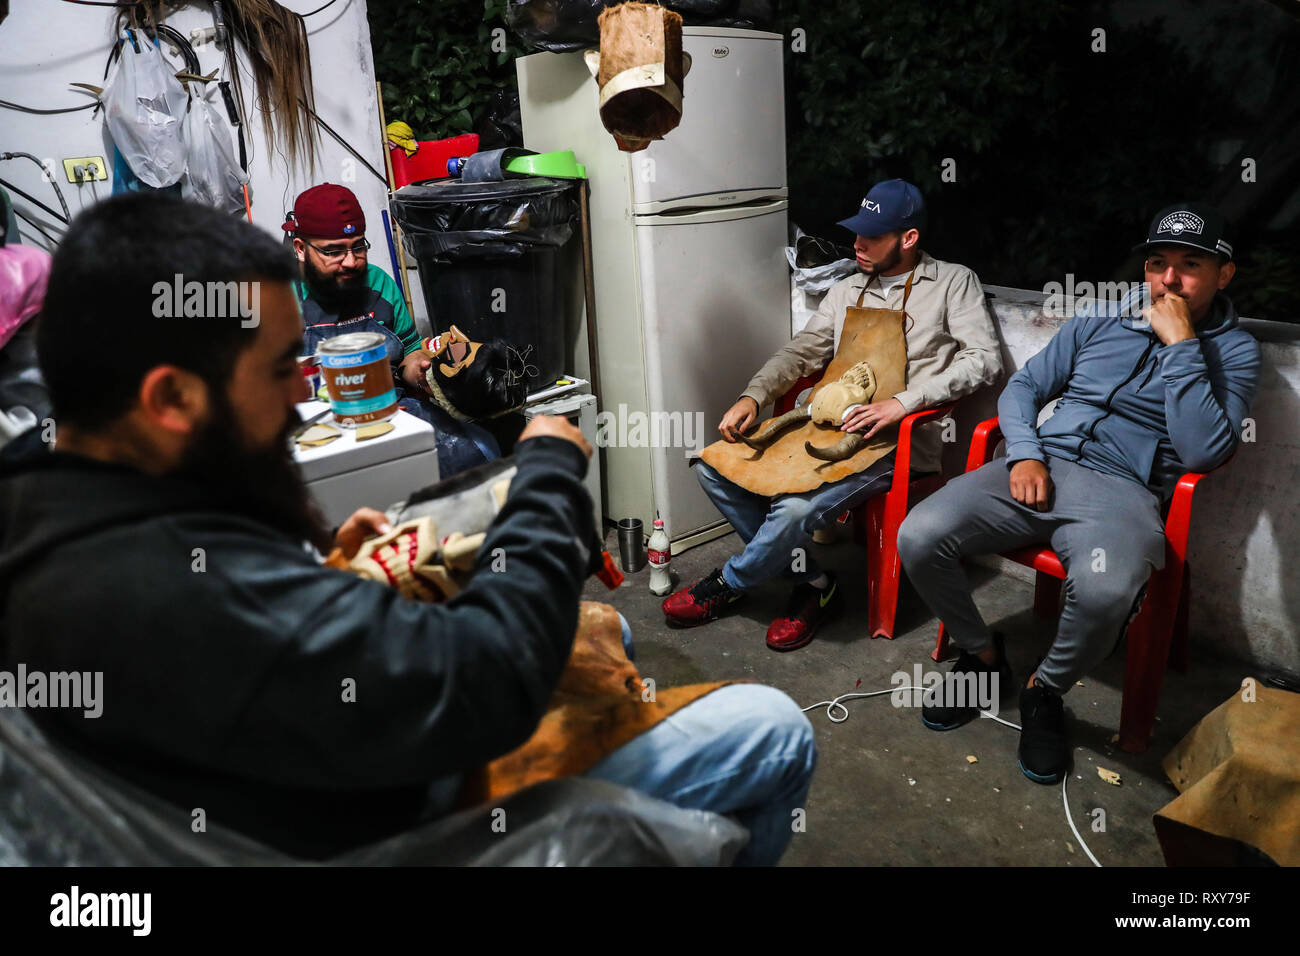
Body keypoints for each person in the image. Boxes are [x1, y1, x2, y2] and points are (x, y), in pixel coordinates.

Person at [1, 194, 815, 865]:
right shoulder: (173, 588)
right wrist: (542, 482)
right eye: (285, 368)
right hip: (386, 824)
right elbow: (487, 683)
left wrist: (320, 566)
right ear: (170, 399)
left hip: (308, 773)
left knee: (606, 639)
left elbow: (257, 626)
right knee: (772, 729)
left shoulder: (55, 511)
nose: (301, 398)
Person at [897, 202, 1262, 784]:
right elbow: (1024, 388)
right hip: (1039, 466)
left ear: (1223, 275)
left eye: (1191, 265)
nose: (1170, 279)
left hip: (1121, 494)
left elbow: (1201, 452)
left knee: (1104, 591)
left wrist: (1180, 347)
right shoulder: (1099, 322)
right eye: (1158, 263)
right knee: (917, 535)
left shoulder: (1235, 353)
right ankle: (983, 656)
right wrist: (1025, 453)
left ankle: (1047, 689)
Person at [663, 179, 1004, 650]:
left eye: (873, 236)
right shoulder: (846, 290)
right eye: (857, 233)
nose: (858, 245)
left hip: (892, 446)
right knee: (711, 469)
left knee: (794, 508)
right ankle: (816, 585)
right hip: (819, 428)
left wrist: (902, 403)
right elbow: (803, 351)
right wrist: (753, 395)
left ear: (908, 238)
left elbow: (984, 360)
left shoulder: (951, 283)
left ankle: (728, 584)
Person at [283, 183, 499, 477]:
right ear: (300, 249)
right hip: (317, 426)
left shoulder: (379, 284)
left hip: (391, 410)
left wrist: (423, 371)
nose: (350, 261)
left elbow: (410, 354)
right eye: (333, 251)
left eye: (357, 247)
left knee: (481, 449)